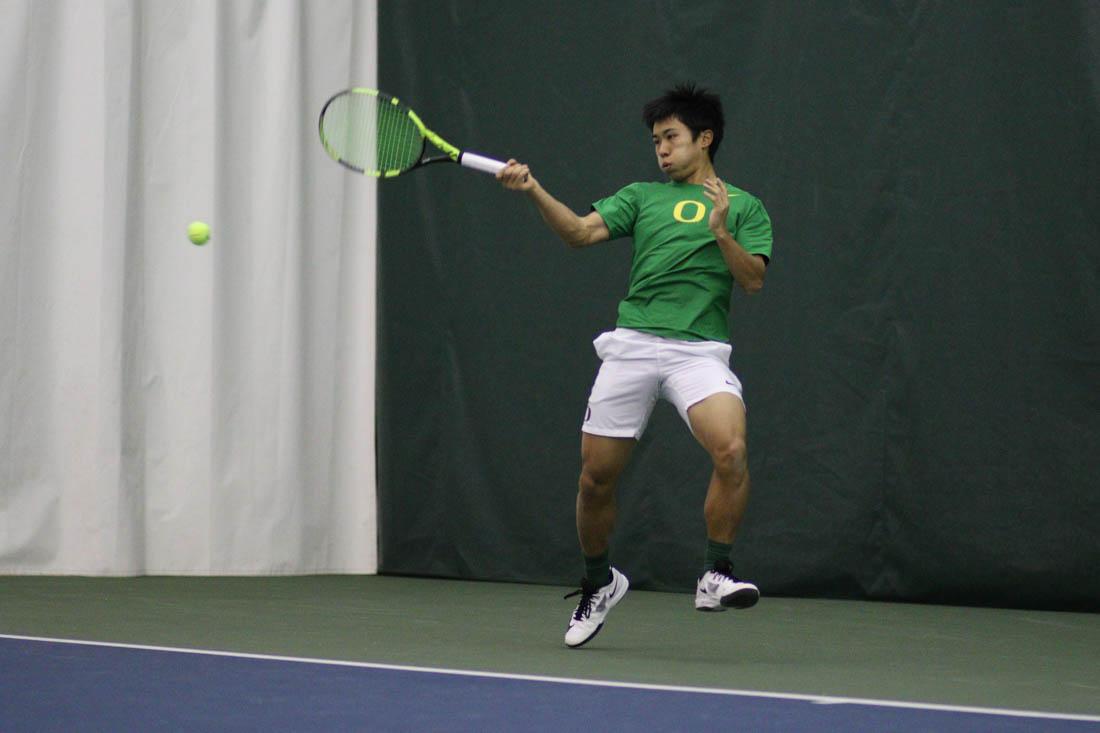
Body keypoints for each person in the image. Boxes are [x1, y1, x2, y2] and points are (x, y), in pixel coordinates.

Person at [497, 83, 773, 648]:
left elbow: (752, 280)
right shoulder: (641, 197)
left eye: (671, 138)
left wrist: (721, 231)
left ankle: (714, 573)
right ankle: (599, 583)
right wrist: (532, 189)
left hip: (698, 351)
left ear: (705, 138)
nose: (662, 151)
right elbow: (578, 232)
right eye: (656, 142)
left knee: (732, 449)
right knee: (596, 478)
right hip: (632, 346)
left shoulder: (744, 206)